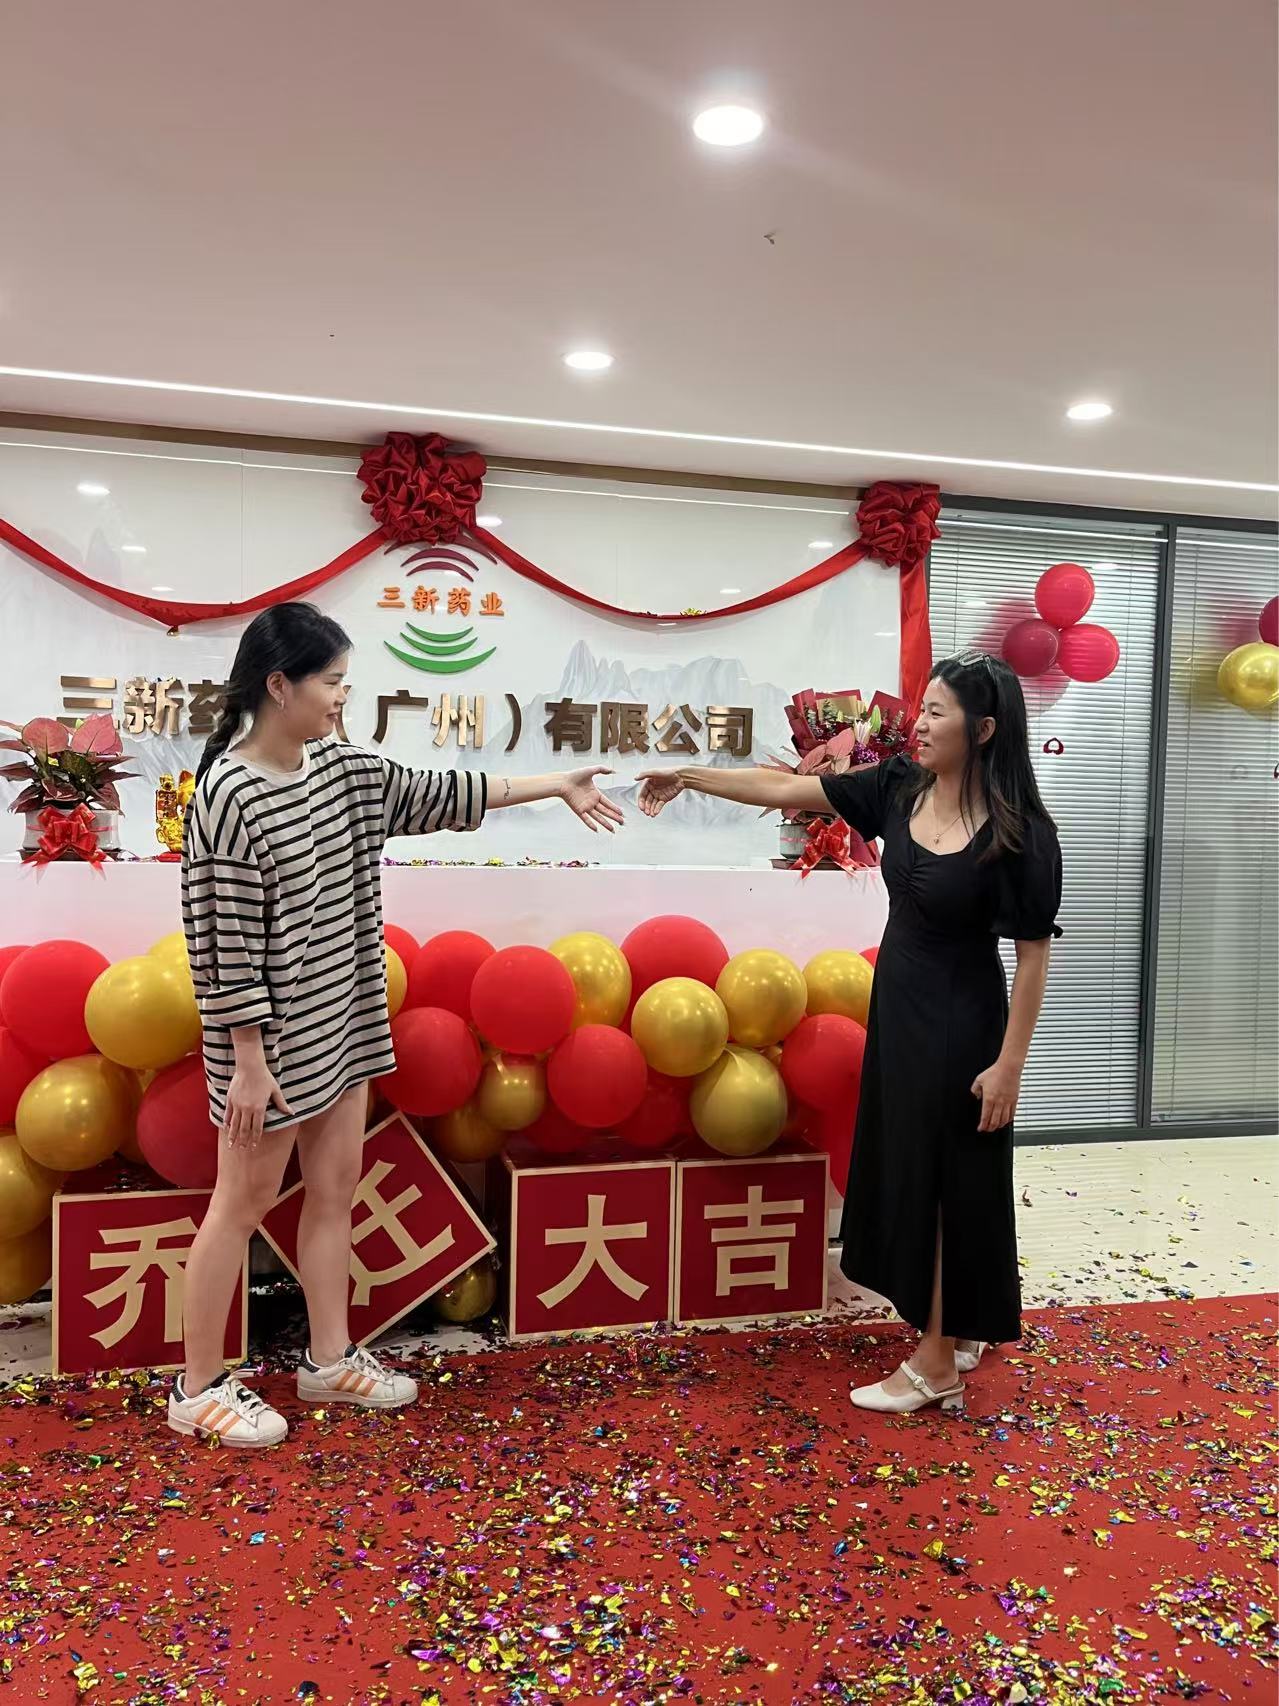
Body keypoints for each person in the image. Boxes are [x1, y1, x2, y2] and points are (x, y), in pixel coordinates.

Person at [170, 601, 622, 1446]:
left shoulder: (341, 769)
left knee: (334, 1190)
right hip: (266, 1048)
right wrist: (248, 1061)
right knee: (240, 1204)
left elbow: (441, 793)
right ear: (279, 685)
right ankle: (196, 1388)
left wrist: (555, 785)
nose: (343, 697)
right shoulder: (228, 794)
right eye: (333, 682)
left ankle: (328, 1360)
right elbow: (220, 941)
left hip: (340, 1024)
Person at [638, 651, 1061, 1414]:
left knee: (948, 1188)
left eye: (937, 713)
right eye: (921, 708)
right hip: (899, 1014)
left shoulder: (1020, 831)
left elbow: (1032, 957)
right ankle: (957, 1324)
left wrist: (1009, 1067)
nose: (919, 724)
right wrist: (690, 776)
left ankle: (935, 1363)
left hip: (963, 1027)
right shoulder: (898, 787)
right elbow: (784, 788)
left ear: (983, 730)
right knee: (914, 1176)